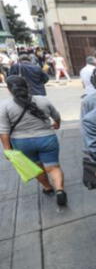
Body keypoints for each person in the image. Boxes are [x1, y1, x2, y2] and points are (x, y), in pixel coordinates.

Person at [0, 76, 67, 206]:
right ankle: (59, 190)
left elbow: (3, 131)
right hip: (47, 139)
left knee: (37, 167)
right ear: (27, 86)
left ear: (9, 89)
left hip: (22, 143)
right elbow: (56, 116)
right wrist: (57, 124)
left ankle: (47, 187)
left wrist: (7, 149)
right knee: (53, 167)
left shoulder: (4, 106)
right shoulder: (42, 100)